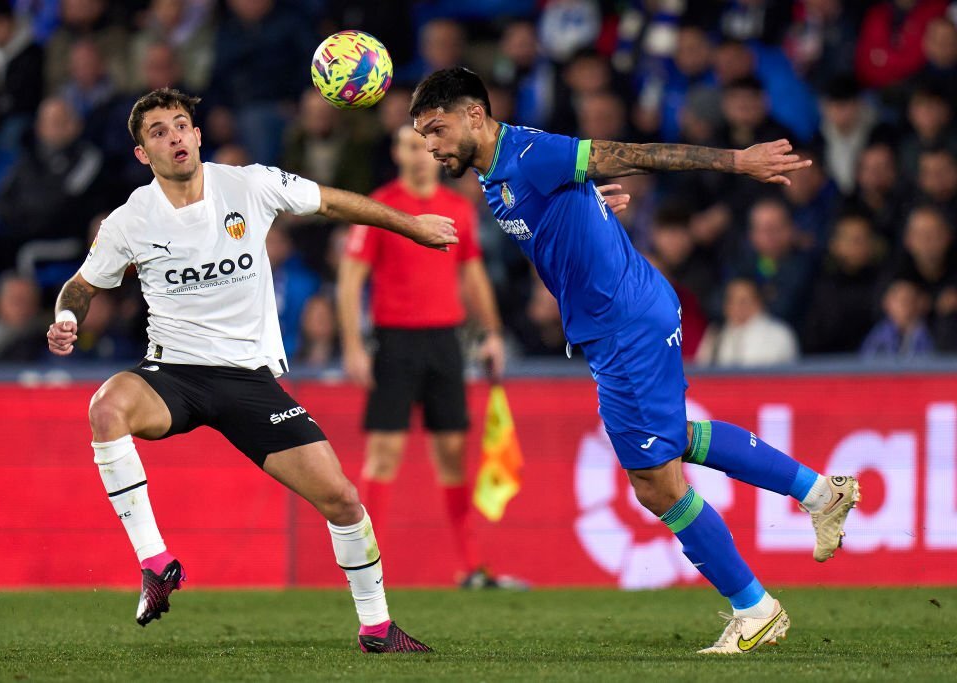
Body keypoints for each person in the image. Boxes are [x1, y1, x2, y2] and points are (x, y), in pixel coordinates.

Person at [408, 67, 860, 655]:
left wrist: (735, 161)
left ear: (474, 115)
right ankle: (822, 494)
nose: (432, 146)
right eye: (423, 137)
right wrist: (587, 208)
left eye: (437, 130)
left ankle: (755, 608)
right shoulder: (497, 172)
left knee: (655, 484)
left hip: (624, 324)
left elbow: (640, 154)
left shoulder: (531, 153)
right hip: (627, 314)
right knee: (669, 439)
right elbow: (557, 218)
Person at [45, 88, 457, 653]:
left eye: (181, 125)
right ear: (143, 154)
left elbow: (332, 202)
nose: (174, 138)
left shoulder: (247, 184)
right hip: (174, 374)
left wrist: (411, 225)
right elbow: (84, 284)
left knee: (341, 499)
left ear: (196, 133)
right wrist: (67, 315)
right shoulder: (129, 220)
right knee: (107, 406)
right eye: (158, 132)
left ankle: (378, 628)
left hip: (248, 380)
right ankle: (156, 564)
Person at [337, 125, 508, 587]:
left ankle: (471, 566)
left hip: (444, 342)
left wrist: (492, 334)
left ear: (434, 153)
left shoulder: (458, 209)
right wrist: (353, 345)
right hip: (395, 343)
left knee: (453, 454)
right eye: (406, 146)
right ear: (395, 152)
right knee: (384, 454)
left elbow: (472, 276)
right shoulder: (378, 206)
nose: (415, 155)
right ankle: (368, 566)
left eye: (421, 147)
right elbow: (351, 279)